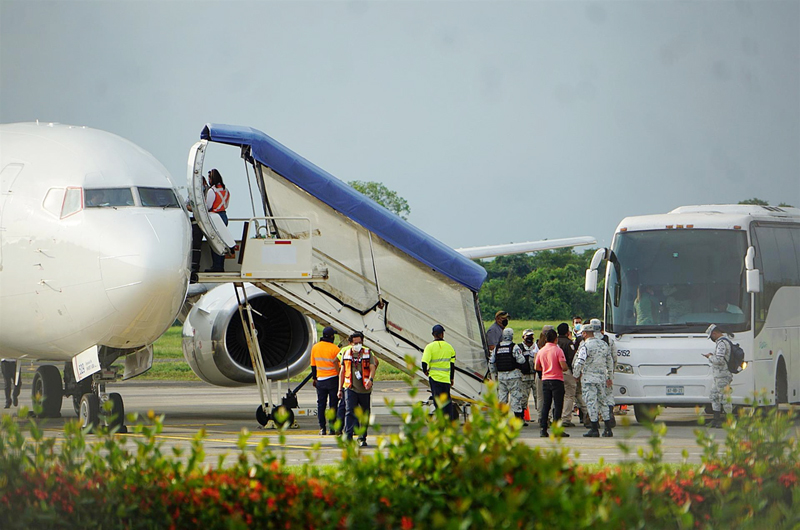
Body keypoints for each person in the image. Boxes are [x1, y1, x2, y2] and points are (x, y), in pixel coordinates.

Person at [572, 321, 614, 437]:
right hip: (602, 378)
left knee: (591, 403)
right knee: (603, 402)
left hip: (589, 379)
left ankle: (594, 428)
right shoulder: (604, 345)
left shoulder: (585, 346)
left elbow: (580, 361)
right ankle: (608, 428)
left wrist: (576, 375)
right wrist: (610, 377)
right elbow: (610, 362)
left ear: (585, 333)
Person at [338, 332, 378, 446]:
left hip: (365, 389)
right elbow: (342, 372)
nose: (358, 345)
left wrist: (370, 379)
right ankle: (348, 436)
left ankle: (362, 437)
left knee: (365, 413)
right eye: (356, 343)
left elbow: (372, 367)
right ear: (350, 343)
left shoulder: (367, 353)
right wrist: (339, 389)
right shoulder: (345, 353)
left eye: (360, 342)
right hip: (350, 387)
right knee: (349, 412)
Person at [534, 329, 570, 438]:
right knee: (558, 405)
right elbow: (563, 366)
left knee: (546, 404)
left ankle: (543, 429)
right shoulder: (558, 350)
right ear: (556, 339)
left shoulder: (541, 350)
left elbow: (536, 367)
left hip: (545, 379)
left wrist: (545, 369)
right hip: (557, 379)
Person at [488, 327, 526, 423]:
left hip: (501, 377)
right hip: (514, 376)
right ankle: (518, 420)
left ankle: (502, 420)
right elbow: (521, 360)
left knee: (502, 398)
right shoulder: (514, 347)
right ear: (511, 336)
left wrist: (494, 374)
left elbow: (491, 362)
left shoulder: (497, 347)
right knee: (516, 398)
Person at [421, 324, 457, 421]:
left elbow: (424, 362)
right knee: (447, 400)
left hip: (435, 378)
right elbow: (452, 365)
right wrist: (451, 378)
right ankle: (450, 421)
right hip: (446, 379)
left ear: (433, 334)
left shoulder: (429, 347)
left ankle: (441, 423)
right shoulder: (450, 347)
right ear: (442, 334)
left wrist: (425, 371)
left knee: (438, 402)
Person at [310, 327, 341, 435]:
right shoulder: (335, 349)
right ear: (332, 336)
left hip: (320, 380)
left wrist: (315, 378)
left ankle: (322, 428)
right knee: (333, 405)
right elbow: (339, 366)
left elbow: (313, 365)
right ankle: (332, 428)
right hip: (333, 380)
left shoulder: (315, 348)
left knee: (321, 405)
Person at [702, 324, 733, 428]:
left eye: (711, 336)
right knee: (714, 396)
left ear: (714, 333)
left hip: (723, 376)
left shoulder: (722, 344)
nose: (711, 339)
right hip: (718, 376)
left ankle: (729, 421)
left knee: (725, 398)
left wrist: (710, 357)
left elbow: (719, 361)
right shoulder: (722, 342)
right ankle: (716, 420)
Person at [205, 169, 231, 273]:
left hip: (215, 217)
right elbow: (226, 204)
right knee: (222, 241)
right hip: (223, 216)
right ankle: (220, 265)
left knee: (215, 242)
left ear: (212, 179)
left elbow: (208, 206)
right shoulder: (226, 190)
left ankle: (216, 266)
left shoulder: (212, 191)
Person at [596, 320, 618, 428]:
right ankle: (609, 415)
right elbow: (614, 358)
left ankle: (594, 420)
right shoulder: (609, 340)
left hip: (593, 374)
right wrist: (611, 373)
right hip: (606, 373)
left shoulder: (587, 341)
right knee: (608, 395)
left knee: (594, 397)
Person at [557, 323, 579, 427]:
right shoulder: (568, 343)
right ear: (567, 332)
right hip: (566, 371)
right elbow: (572, 358)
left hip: (554, 372)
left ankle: (555, 416)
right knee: (569, 394)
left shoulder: (555, 342)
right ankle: (566, 418)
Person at [518, 329, 538, 424]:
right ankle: (521, 417)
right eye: (528, 336)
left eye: (531, 336)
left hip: (535, 376)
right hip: (524, 377)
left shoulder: (536, 347)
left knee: (538, 397)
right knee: (523, 398)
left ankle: (542, 417)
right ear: (523, 337)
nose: (530, 338)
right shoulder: (519, 348)